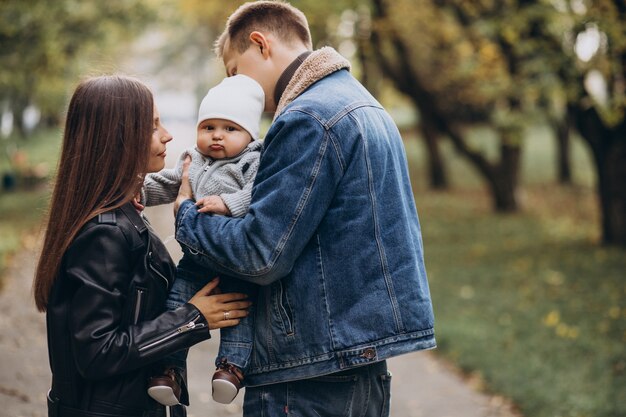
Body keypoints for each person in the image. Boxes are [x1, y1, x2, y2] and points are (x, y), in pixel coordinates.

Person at [174, 1, 436, 416]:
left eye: (235, 73)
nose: (235, 90)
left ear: (260, 44)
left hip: (309, 374)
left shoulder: (307, 118)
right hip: (356, 361)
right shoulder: (362, 103)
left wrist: (186, 216)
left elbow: (260, 254)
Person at [32, 75, 251, 417]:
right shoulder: (103, 233)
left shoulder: (120, 215)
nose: (168, 136)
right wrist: (193, 318)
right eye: (153, 127)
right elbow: (96, 351)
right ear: (118, 139)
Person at [141, 74, 264, 405]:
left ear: (250, 135)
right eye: (209, 127)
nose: (217, 136)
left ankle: (231, 367)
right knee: (176, 304)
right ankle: (169, 370)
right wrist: (134, 192)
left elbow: (258, 195)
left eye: (229, 129)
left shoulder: (254, 161)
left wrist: (228, 203)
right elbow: (167, 183)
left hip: (235, 259)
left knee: (238, 313)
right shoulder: (192, 160)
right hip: (195, 261)